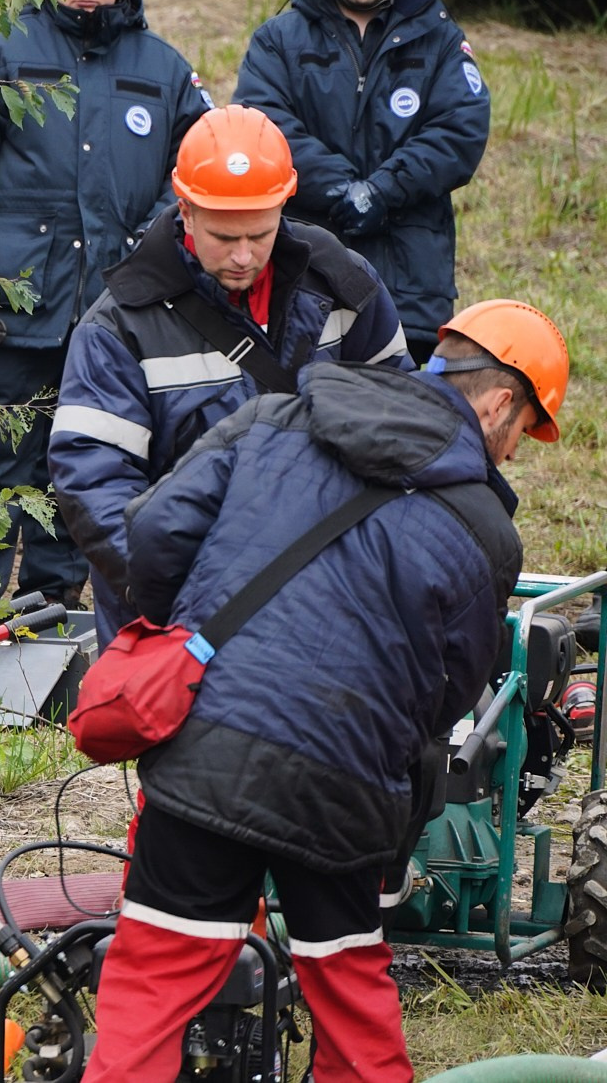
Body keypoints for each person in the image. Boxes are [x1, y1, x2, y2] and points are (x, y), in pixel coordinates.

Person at [81, 300, 565, 1082]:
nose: (510, 453)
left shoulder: (273, 416)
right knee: (348, 998)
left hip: (206, 747)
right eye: (519, 435)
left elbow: (154, 535)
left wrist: (200, 639)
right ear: (499, 401)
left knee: (149, 990)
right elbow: (453, 688)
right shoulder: (484, 529)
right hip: (346, 784)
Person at [0, 0, 213, 608]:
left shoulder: (166, 70)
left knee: (84, 459)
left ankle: (54, 603)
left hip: (115, 312)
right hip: (15, 305)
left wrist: (148, 268)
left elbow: (193, 174)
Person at [47, 104, 411, 643]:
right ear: (186, 210)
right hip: (176, 616)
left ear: (284, 206)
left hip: (324, 596)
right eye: (222, 237)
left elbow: (402, 423)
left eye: (260, 235)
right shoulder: (119, 326)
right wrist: (177, 587)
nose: (243, 256)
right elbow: (93, 481)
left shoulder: (345, 286)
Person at [232, 0, 489, 364]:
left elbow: (460, 129)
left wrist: (384, 191)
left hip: (411, 283)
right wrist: (341, 189)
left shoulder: (440, 38)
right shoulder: (277, 41)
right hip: (304, 275)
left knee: (397, 423)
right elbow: (263, 126)